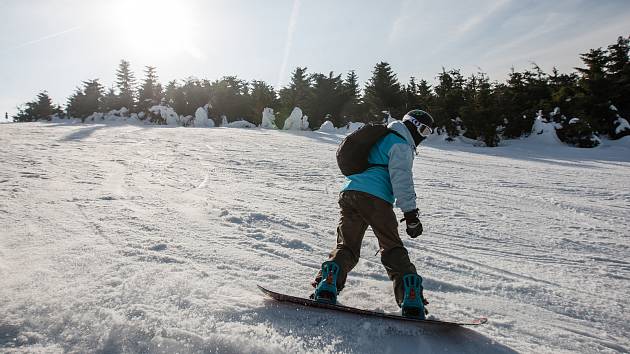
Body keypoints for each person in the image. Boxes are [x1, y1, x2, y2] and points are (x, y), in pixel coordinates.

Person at [312, 109, 435, 319]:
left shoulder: (382, 137)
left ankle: (329, 280)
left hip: (350, 192)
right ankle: (410, 295)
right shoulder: (401, 144)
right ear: (413, 125)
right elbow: (402, 179)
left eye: (429, 132)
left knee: (347, 245)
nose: (424, 136)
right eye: (424, 130)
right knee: (392, 247)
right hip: (375, 199)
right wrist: (411, 215)